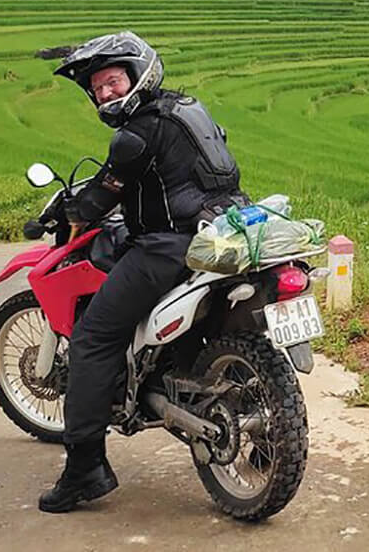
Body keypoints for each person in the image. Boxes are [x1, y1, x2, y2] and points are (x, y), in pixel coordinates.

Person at [38, 31, 246, 513]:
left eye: (112, 81)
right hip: (221, 227)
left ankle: (84, 468)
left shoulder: (133, 134)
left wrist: (65, 213)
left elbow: (98, 199)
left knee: (93, 337)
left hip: (168, 248)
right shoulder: (187, 108)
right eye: (97, 88)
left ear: (138, 74)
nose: (105, 93)